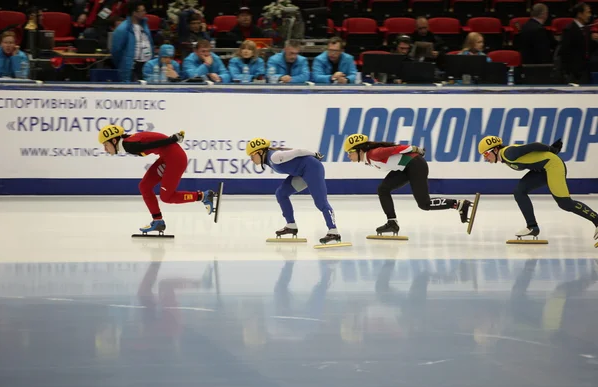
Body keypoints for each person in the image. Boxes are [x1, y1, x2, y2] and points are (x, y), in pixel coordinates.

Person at [343, 134, 475, 236]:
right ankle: (392, 222)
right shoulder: (369, 158)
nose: (348, 156)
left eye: (350, 152)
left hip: (415, 165)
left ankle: (458, 204)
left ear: (359, 150)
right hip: (405, 168)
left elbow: (395, 149)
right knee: (383, 189)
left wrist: (415, 149)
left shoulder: (373, 154)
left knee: (424, 204)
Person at [97, 125, 217, 234]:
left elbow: (152, 144)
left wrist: (172, 139)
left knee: (167, 197)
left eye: (105, 145)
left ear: (114, 140)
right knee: (144, 186)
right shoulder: (127, 142)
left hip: (175, 159)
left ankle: (203, 196)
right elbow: (151, 141)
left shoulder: (127, 145)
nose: (105, 149)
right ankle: (158, 221)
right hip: (167, 157)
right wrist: (172, 139)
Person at [477, 135, 598, 241]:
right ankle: (532, 227)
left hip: (552, 166)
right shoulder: (504, 158)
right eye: (483, 155)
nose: (485, 158)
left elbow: (532, 146)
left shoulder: (508, 153)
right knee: (519, 192)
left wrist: (552, 150)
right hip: (542, 170)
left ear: (496, 149)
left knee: (565, 203)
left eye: (486, 154)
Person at [245, 138, 341, 244]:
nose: (251, 159)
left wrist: (314, 154)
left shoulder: (274, 157)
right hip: (301, 174)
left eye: (252, 155)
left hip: (313, 169)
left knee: (321, 202)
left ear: (260, 152)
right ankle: (291, 225)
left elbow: (298, 152)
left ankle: (333, 231)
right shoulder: (268, 160)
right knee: (281, 193)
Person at [111, 0, 154, 82]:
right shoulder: (122, 29)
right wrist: (124, 63)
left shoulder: (145, 25)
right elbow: (116, 51)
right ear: (134, 13)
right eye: (142, 11)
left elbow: (150, 43)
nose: (145, 12)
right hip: (131, 66)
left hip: (146, 64)